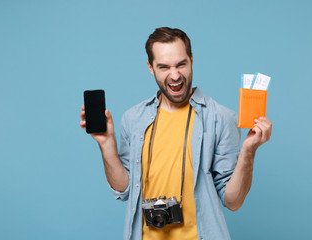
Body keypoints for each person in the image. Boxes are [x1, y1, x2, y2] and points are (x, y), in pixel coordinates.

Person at [80, 27, 272, 240]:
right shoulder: (133, 119)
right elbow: (123, 189)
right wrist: (106, 144)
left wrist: (248, 151)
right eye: (164, 67)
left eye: (181, 64)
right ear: (150, 67)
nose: (175, 75)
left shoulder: (221, 118)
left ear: (191, 60)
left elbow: (233, 201)